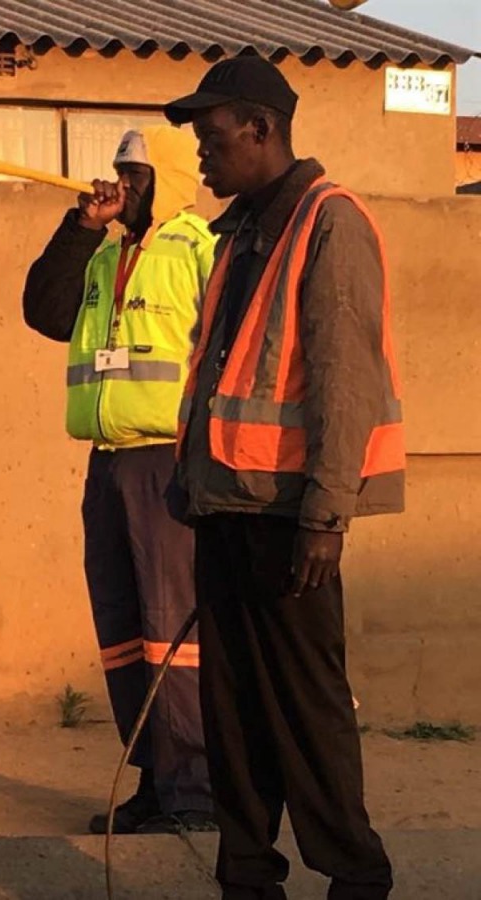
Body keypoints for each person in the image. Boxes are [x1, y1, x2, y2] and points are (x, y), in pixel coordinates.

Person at [164, 57, 403, 899]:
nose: (202, 154)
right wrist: (190, 483)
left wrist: (326, 517)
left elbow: (346, 380)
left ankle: (355, 877)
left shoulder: (329, 222)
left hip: (292, 520)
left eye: (212, 136)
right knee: (233, 721)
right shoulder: (237, 232)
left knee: (307, 716)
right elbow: (218, 373)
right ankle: (247, 880)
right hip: (226, 509)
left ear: (260, 128)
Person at [23, 126, 216, 834]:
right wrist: (80, 228)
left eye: (134, 175)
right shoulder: (105, 258)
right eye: (117, 173)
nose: (120, 185)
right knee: (125, 630)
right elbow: (44, 310)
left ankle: (195, 790)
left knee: (174, 631)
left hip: (168, 460)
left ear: (162, 177)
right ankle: (154, 778)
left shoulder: (200, 247)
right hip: (106, 462)